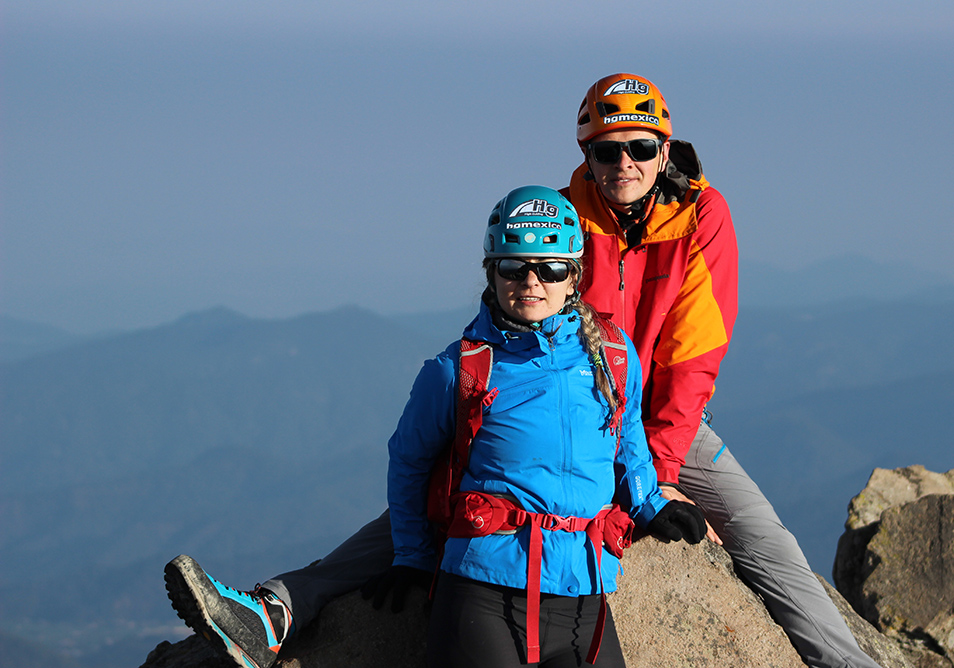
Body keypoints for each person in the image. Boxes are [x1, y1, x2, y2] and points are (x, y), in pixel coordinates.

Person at [165, 186, 706, 668]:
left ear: (575, 275)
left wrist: (649, 501)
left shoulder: (613, 355)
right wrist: (412, 556)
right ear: (491, 271)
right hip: (485, 595)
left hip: (584, 598)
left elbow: (627, 434)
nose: (532, 281)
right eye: (513, 267)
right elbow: (409, 462)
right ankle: (274, 613)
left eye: (551, 268)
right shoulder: (460, 369)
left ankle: (274, 612)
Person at [562, 73, 881, 668]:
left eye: (639, 147)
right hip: (576, 419)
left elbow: (691, 358)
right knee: (443, 499)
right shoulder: (563, 217)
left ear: (664, 150)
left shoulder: (702, 214)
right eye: (607, 150)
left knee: (767, 546)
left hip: (669, 426)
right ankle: (326, 587)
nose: (623, 162)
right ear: (587, 154)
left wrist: (654, 480)